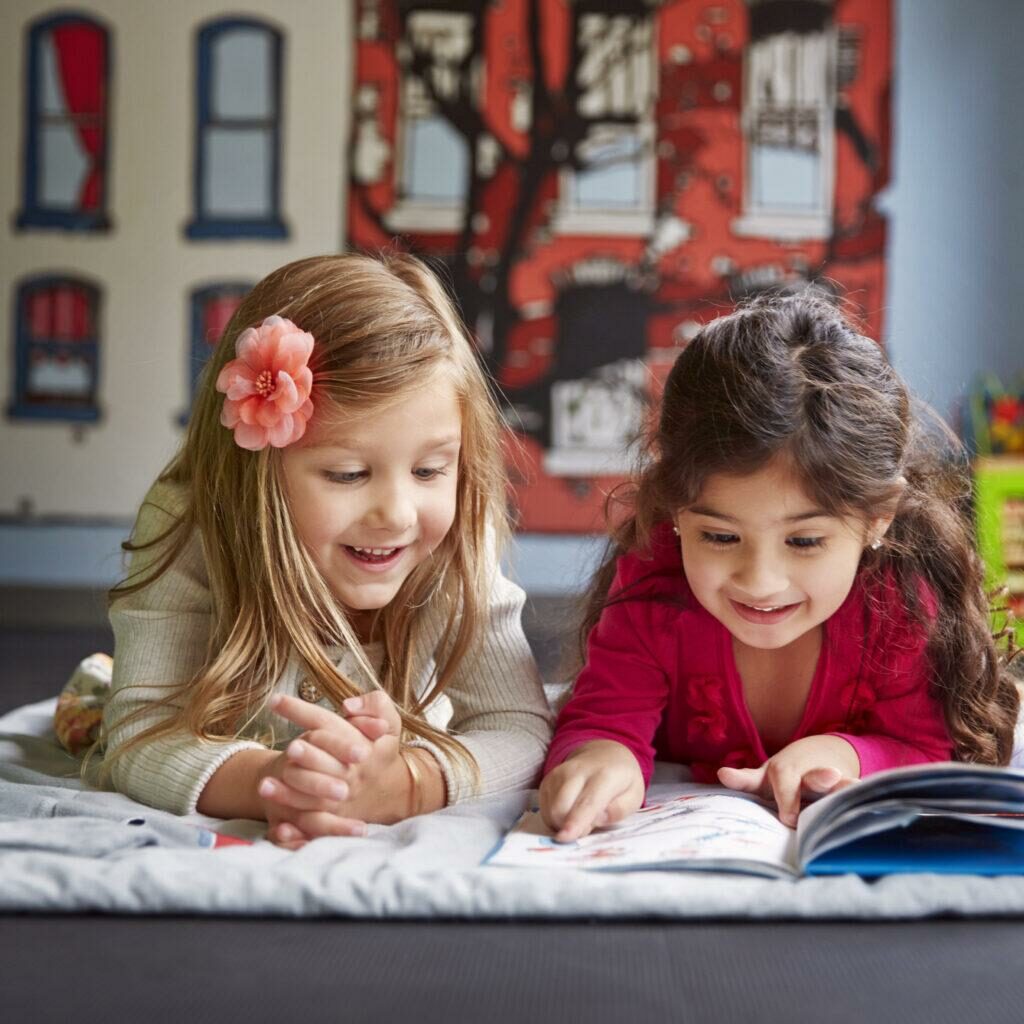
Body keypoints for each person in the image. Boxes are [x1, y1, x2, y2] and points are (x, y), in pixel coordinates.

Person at [99, 251, 553, 848]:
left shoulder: (455, 532)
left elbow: (518, 727)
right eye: (346, 474)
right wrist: (270, 782)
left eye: (429, 469)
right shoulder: (194, 522)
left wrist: (408, 785)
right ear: (255, 471)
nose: (396, 513)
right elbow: (140, 733)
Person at [540, 292, 1020, 841]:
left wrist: (843, 754)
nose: (760, 581)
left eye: (806, 541)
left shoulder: (903, 603)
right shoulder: (654, 582)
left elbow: (926, 745)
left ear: (877, 520)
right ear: (676, 512)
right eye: (719, 536)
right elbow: (606, 716)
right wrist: (603, 758)